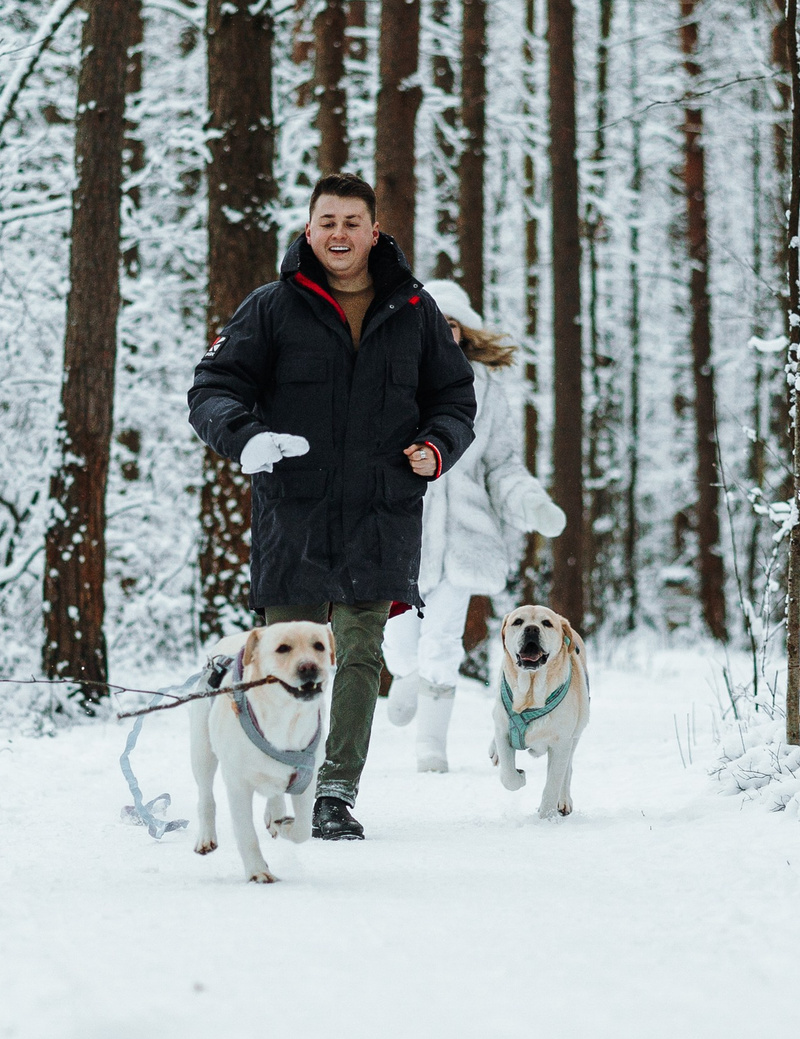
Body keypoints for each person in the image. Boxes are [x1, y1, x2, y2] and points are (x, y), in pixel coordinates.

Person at [188, 174, 477, 840]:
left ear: (374, 231)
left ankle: (334, 792)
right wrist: (248, 437)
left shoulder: (415, 309)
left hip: (382, 510)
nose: (339, 234)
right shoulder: (270, 308)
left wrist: (437, 447)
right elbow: (213, 387)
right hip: (295, 511)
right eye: (327, 221)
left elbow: (454, 399)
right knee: (282, 652)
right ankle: (279, 775)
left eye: (352, 222)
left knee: (357, 651)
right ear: (309, 228)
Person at [381, 281, 566, 770]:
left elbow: (502, 464)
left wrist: (532, 503)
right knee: (398, 639)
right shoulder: (391, 378)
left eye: (453, 324)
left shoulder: (485, 390)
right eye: (435, 322)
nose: (444, 332)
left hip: (465, 537)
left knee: (443, 641)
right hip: (403, 530)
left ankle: (431, 748)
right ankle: (403, 674)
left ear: (463, 333)